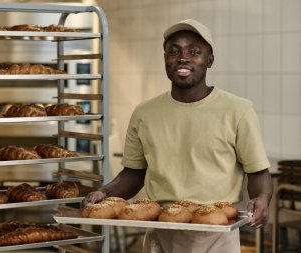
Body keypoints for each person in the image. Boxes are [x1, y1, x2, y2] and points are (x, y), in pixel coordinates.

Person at [82, 19, 273, 252]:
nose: (183, 57)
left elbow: (258, 172)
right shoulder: (145, 113)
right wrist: (104, 192)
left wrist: (261, 200)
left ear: (209, 60)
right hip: (160, 232)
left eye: (194, 51)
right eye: (174, 51)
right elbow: (133, 173)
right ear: (165, 59)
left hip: (215, 234)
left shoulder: (238, 110)